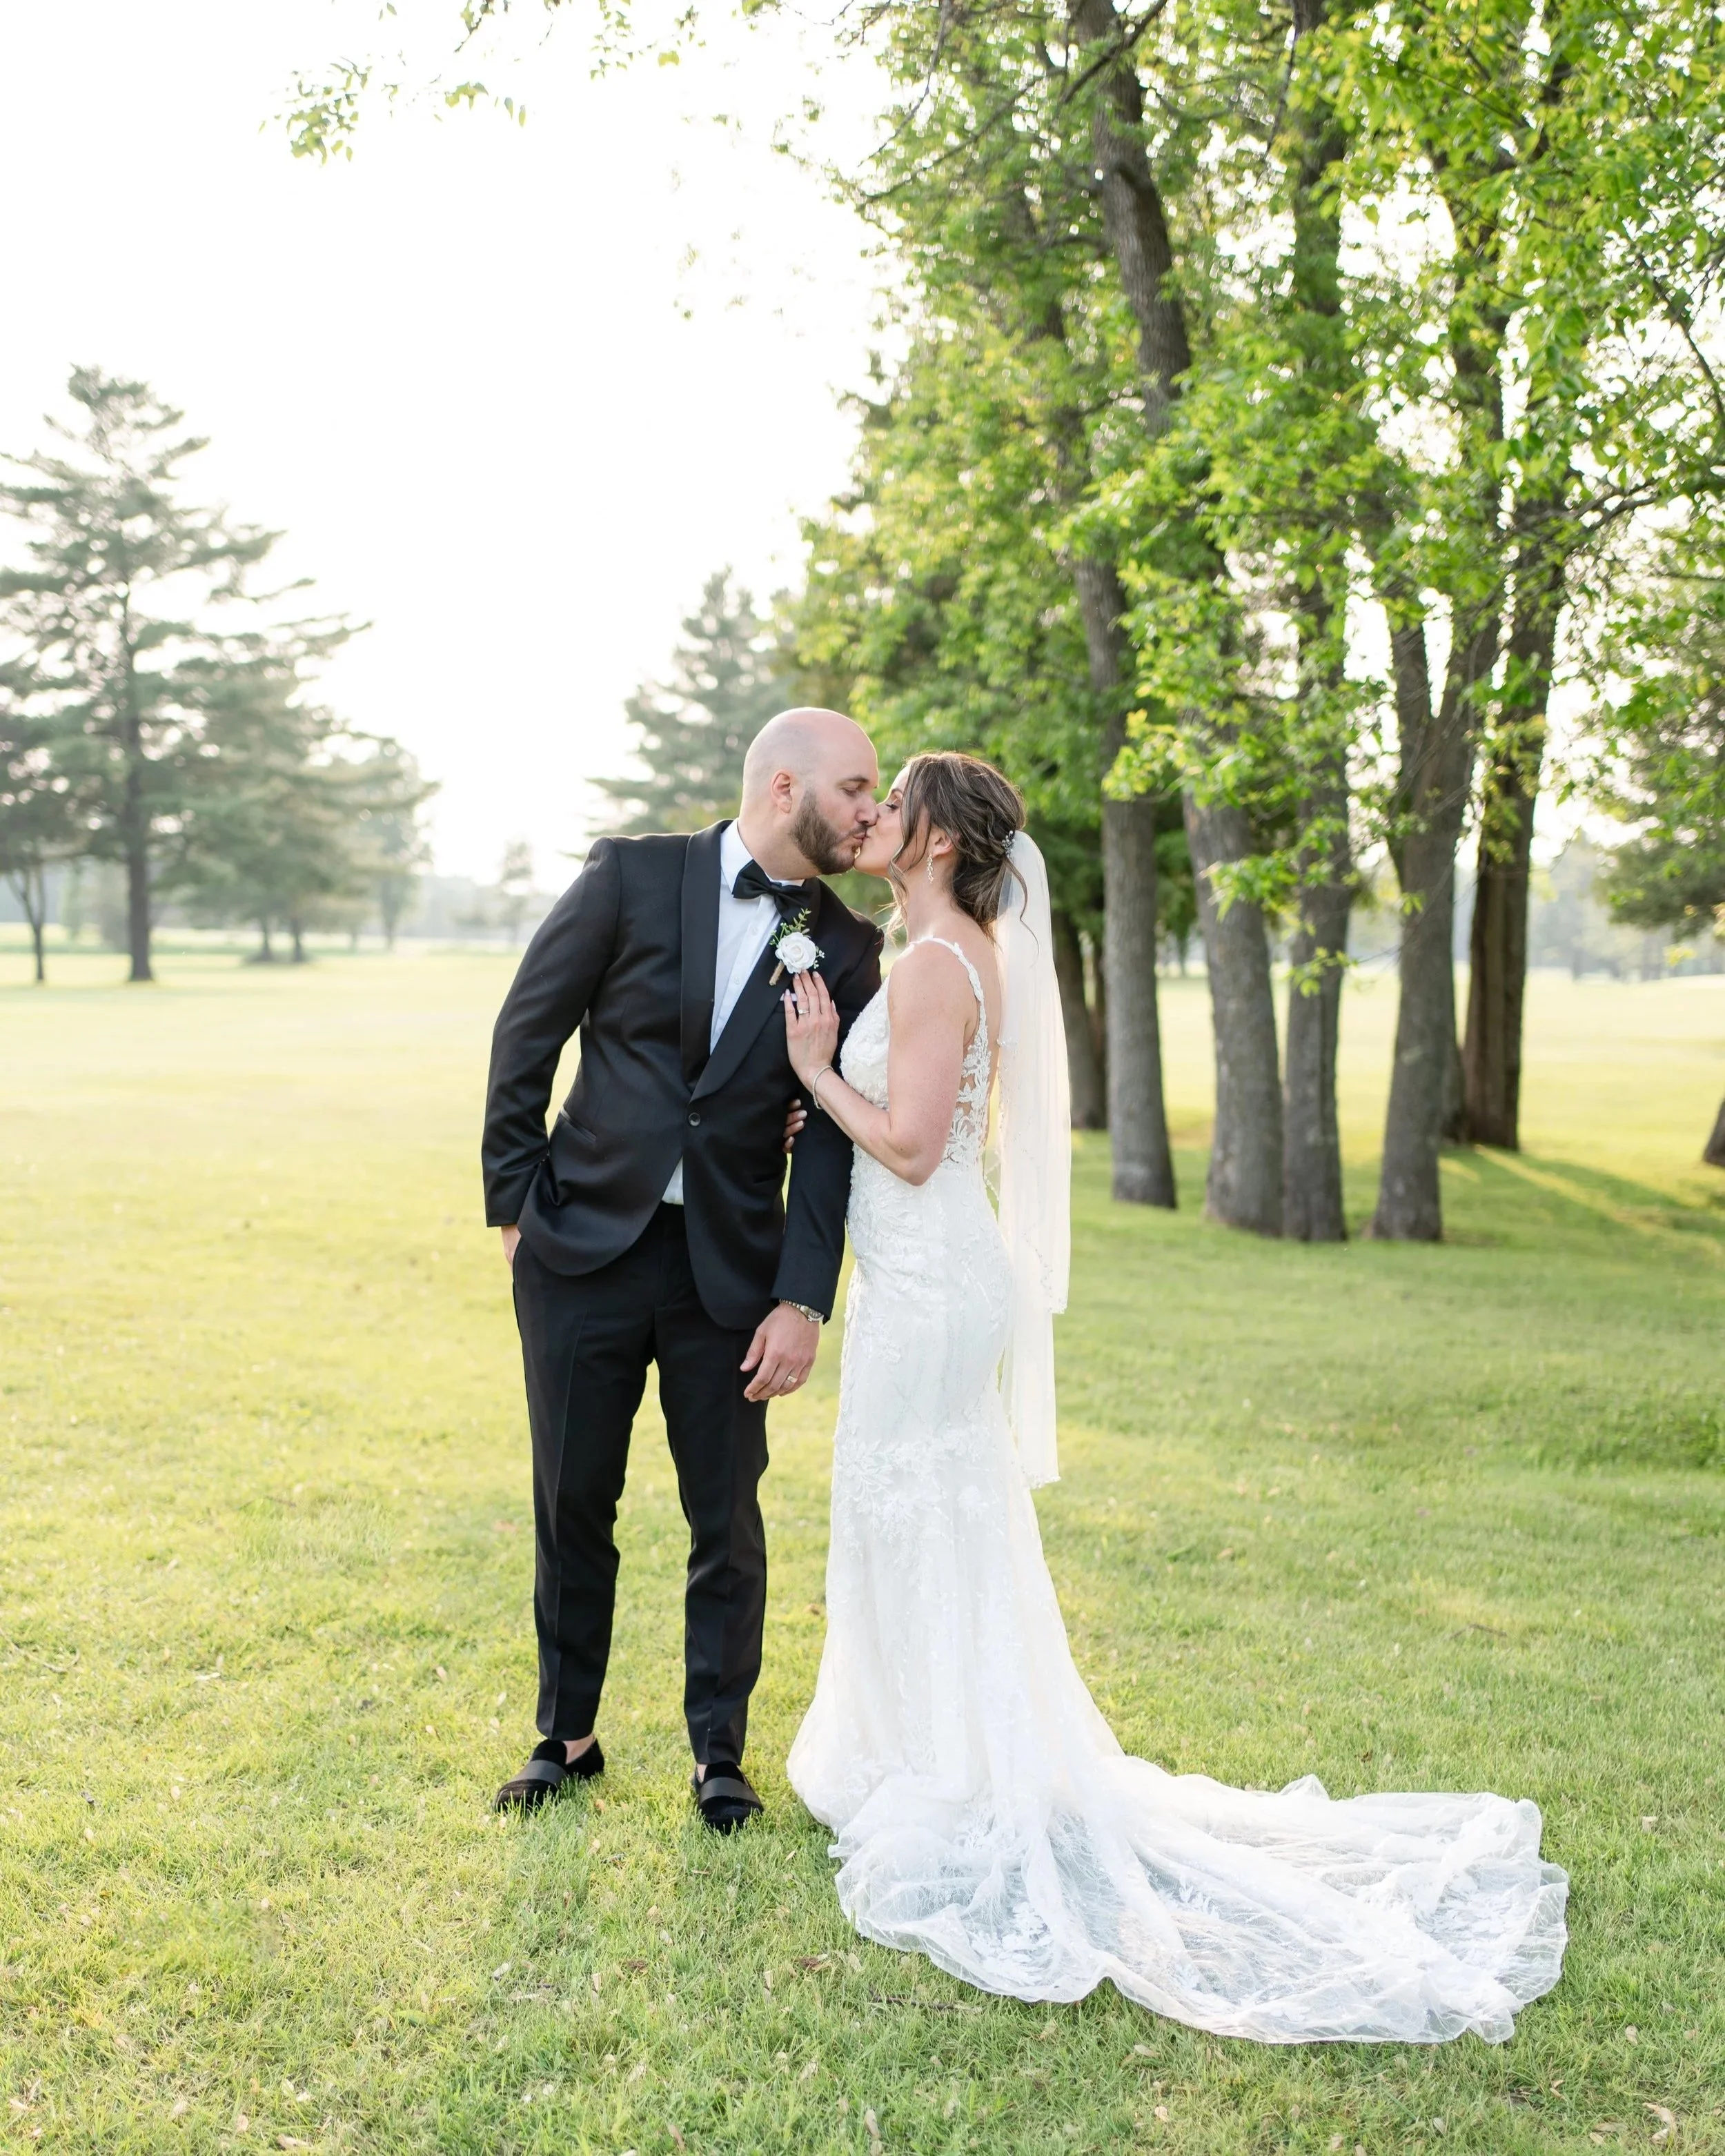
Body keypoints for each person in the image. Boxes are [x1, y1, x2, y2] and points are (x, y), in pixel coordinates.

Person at [780, 749, 1568, 2043]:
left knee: (912, 1503)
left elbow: (917, 1147)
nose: (871, 816)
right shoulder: (958, 949)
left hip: (925, 1280)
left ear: (934, 841)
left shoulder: (932, 964)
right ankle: (926, 1745)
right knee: (931, 1508)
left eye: (893, 802)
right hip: (931, 1274)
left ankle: (946, 1771)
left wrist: (820, 1073)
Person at [481, 709, 884, 1831]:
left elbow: (836, 1137)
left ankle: (721, 1753)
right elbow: (528, 1031)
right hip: (580, 1251)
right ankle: (566, 1735)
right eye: (855, 787)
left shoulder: (849, 947)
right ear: (784, 784)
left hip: (734, 1278)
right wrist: (513, 1204)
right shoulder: (631, 876)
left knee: (727, 1516)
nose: (871, 809)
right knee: (571, 1500)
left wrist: (803, 1297)